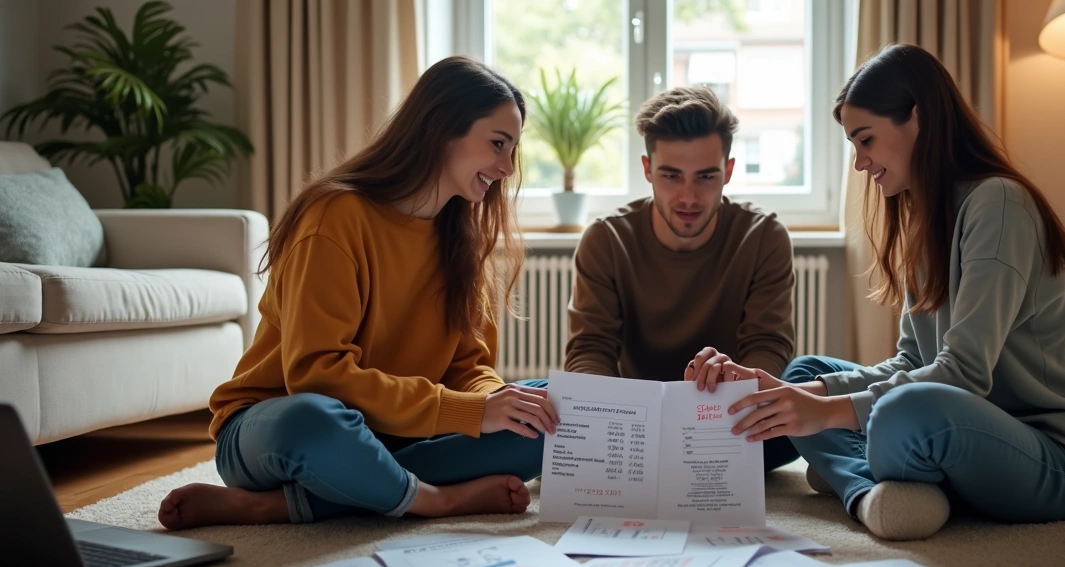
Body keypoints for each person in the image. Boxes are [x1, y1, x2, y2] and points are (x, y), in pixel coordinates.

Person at [712, 44, 1065, 541]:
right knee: (805, 372)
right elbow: (908, 361)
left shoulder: (999, 204)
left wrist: (822, 415)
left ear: (918, 119)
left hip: (1055, 459)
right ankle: (873, 488)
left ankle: (858, 472)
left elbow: (963, 376)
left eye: (866, 141)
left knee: (899, 414)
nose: (860, 163)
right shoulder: (928, 217)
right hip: (961, 430)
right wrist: (799, 395)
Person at [157, 56, 558, 530]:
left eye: (512, 150)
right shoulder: (336, 215)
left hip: (392, 436)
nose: (507, 167)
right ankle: (436, 500)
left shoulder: (462, 239)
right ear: (441, 129)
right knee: (314, 421)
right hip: (277, 428)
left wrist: (494, 403)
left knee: (549, 409)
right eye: (498, 144)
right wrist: (469, 413)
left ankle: (281, 506)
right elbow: (317, 375)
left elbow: (467, 367)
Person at [522, 85, 801, 473]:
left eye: (706, 176)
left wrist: (730, 387)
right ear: (647, 169)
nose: (688, 196)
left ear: (729, 172)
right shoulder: (607, 239)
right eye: (671, 175)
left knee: (808, 386)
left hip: (726, 416)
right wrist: (613, 417)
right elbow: (590, 350)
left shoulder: (764, 237)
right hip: (634, 421)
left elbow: (769, 346)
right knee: (537, 399)